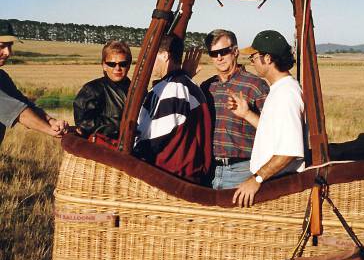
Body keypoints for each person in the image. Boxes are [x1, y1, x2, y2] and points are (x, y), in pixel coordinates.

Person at [230, 30, 305, 208]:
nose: (252, 61)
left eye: (254, 57)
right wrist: (247, 114)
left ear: (268, 59)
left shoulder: (286, 94)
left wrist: (257, 179)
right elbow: (272, 133)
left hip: (278, 185)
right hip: (273, 182)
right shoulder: (279, 89)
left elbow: (289, 150)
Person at [134, 35, 212, 184]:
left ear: (165, 56)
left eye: (153, 55)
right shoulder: (188, 84)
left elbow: (155, 138)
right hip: (188, 174)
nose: (149, 61)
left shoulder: (171, 88)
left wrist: (132, 153)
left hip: (170, 176)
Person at [201, 29, 269, 190]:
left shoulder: (255, 85)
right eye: (214, 53)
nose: (219, 57)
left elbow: (271, 130)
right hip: (209, 169)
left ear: (235, 52)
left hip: (242, 170)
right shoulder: (206, 87)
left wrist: (247, 114)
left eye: (224, 51)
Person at [0, 20, 68, 145]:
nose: (8, 53)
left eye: (10, 46)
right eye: (1, 46)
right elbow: (20, 114)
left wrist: (51, 121)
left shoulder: (2, 77)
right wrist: (50, 130)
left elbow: (24, 104)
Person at [73, 40, 131, 140]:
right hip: (106, 148)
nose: (117, 68)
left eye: (123, 64)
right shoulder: (92, 90)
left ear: (129, 65)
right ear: (104, 65)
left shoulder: (137, 90)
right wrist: (123, 125)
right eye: (112, 64)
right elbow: (84, 122)